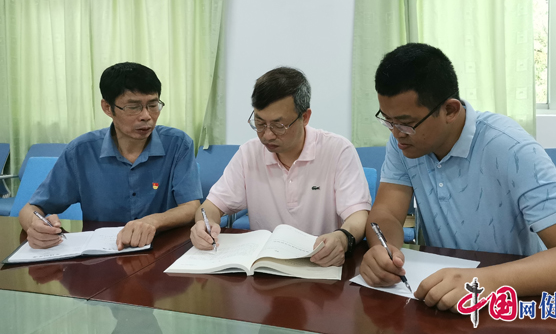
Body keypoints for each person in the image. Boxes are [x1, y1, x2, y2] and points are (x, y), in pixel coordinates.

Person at [360, 43, 556, 311]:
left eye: (405, 123)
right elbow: (387, 213)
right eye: (388, 120)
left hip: (514, 302)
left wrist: (487, 280)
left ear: (450, 110)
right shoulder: (404, 143)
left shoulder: (511, 148)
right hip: (445, 300)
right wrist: (383, 250)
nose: (395, 133)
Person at [190, 67, 371, 267]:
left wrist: (343, 237)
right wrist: (203, 225)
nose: (267, 135)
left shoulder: (337, 150)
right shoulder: (249, 153)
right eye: (259, 123)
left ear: (305, 117)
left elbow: (358, 215)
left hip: (320, 265)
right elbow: (211, 206)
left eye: (278, 126)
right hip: (265, 267)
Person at [19, 62, 202, 250]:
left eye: (153, 105)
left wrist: (153, 221)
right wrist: (36, 227)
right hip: (101, 256)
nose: (146, 116)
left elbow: (191, 206)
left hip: (164, 250)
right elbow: (30, 209)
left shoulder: (178, 144)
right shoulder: (81, 151)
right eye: (133, 107)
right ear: (107, 107)